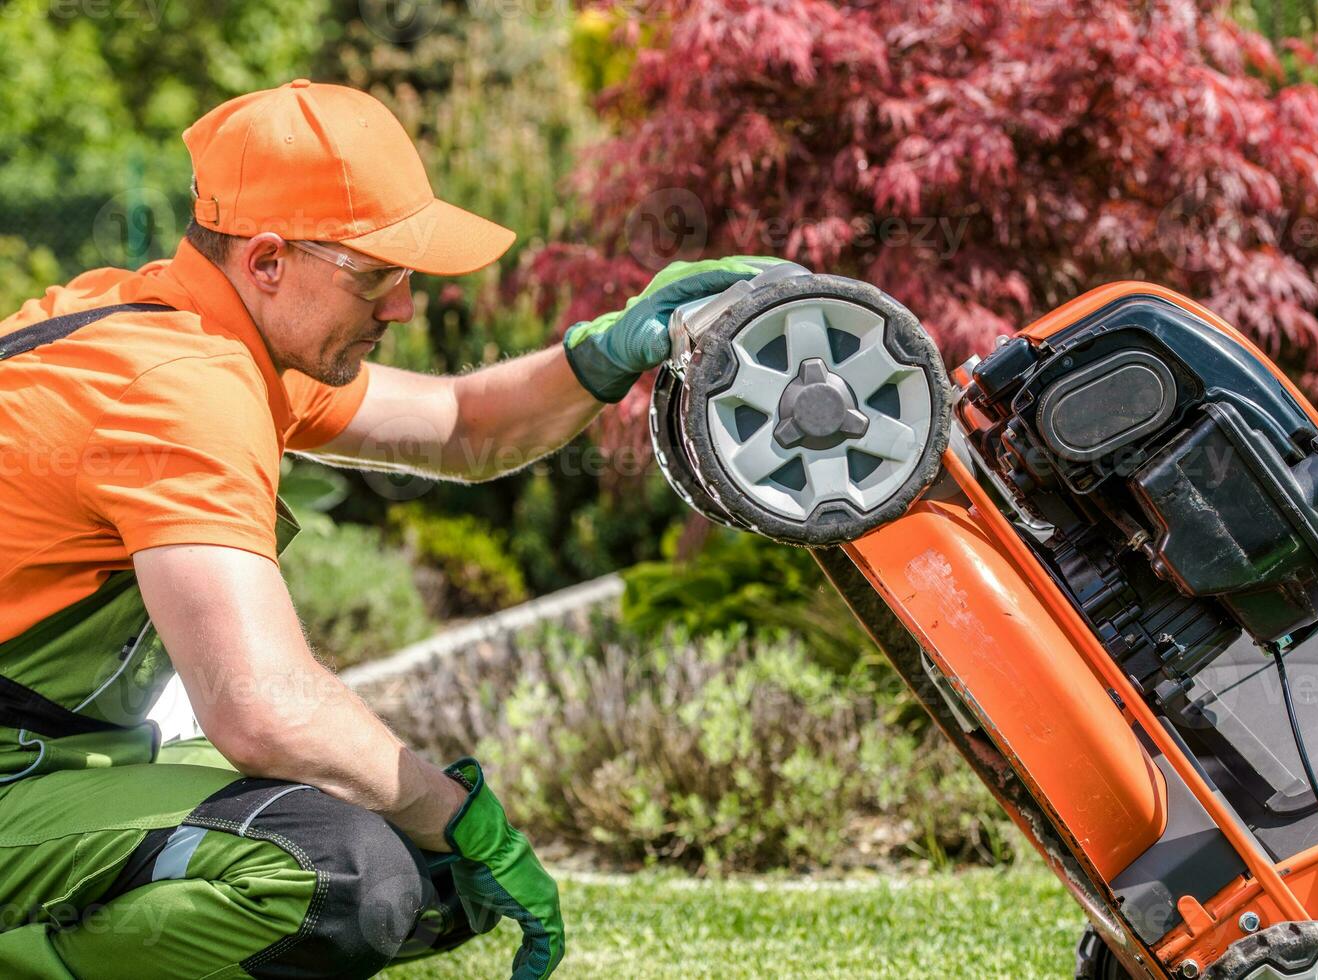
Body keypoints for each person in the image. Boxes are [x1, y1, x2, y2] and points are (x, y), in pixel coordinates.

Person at [0, 79, 777, 979]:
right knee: (340, 871)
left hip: (51, 766)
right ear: (265, 261)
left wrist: (607, 351)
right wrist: (468, 818)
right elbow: (262, 708)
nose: (404, 307)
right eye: (376, 275)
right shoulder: (179, 388)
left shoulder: (178, 328)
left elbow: (461, 428)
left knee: (408, 861)